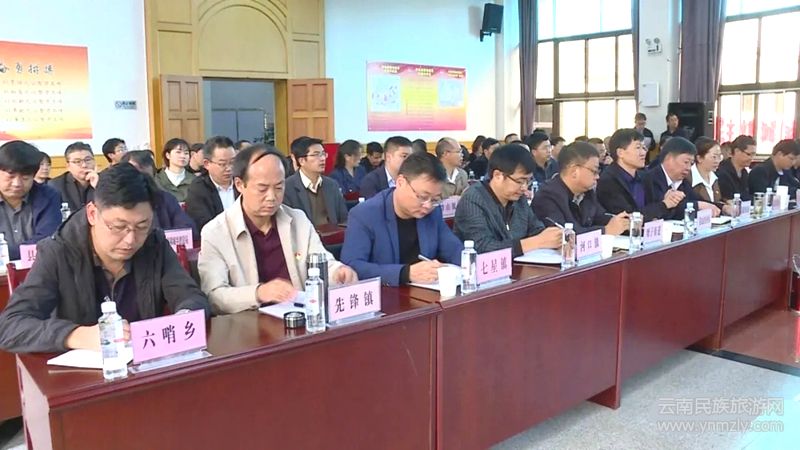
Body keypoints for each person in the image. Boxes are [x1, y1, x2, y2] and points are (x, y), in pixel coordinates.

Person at [0, 163, 210, 353]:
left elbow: (191, 296)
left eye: (142, 226)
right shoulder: (57, 252)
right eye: (118, 227)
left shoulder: (154, 243)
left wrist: (185, 317)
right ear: (92, 214)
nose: (130, 240)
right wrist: (77, 335)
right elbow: (10, 326)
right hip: (80, 376)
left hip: (145, 366)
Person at [198, 145, 357, 314]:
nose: (272, 197)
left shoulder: (298, 220)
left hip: (300, 317)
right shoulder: (215, 232)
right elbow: (214, 295)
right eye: (262, 188)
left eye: (279, 187)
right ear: (239, 184)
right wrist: (259, 293)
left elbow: (322, 261)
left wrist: (338, 272)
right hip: (249, 324)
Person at [341, 152, 463, 286]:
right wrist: (405, 273)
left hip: (425, 293)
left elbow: (454, 249)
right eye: (422, 197)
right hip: (386, 294)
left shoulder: (433, 212)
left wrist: (469, 263)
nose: (428, 205)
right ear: (400, 182)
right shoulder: (364, 214)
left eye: (435, 199)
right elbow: (352, 266)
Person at [454, 144, 562, 256]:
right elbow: (482, 247)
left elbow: (535, 229)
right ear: (497, 175)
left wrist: (556, 239)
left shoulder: (518, 198)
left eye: (528, 181)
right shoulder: (472, 199)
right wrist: (536, 242)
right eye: (520, 181)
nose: (524, 187)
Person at [532, 142, 630, 235]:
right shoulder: (547, 197)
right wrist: (605, 230)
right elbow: (566, 235)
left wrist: (622, 222)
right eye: (594, 171)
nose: (597, 177)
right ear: (574, 171)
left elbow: (600, 217)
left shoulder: (587, 192)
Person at [597, 129, 685, 221]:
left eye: (644, 148)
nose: (643, 153)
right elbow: (629, 217)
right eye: (638, 148)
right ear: (620, 153)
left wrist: (668, 200)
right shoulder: (608, 181)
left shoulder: (644, 176)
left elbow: (657, 209)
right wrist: (664, 205)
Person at [0, 141, 61, 260]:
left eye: (25, 177)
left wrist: (6, 254)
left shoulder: (48, 196)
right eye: (10, 176)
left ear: (34, 175)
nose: (17, 184)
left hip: (38, 266)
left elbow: (47, 239)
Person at [121, 151, 197, 236]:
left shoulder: (165, 198)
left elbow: (188, 228)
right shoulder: (116, 200)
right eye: (136, 173)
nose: (142, 180)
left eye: (147, 177)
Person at [642, 136, 716, 219]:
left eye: (691, 164)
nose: (688, 168)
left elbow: (699, 200)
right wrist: (697, 205)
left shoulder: (683, 182)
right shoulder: (650, 180)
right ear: (669, 158)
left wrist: (723, 207)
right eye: (686, 162)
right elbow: (665, 211)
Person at [283, 136, 348, 226]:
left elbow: (344, 219)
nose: (322, 158)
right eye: (316, 154)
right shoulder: (287, 188)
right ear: (301, 161)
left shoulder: (331, 185)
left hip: (333, 234)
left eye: (323, 154)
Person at [185, 136, 239, 231]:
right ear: (207, 164)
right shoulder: (198, 189)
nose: (229, 168)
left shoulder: (244, 182)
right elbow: (205, 225)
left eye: (232, 162)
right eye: (222, 164)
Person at [50, 141, 98, 212]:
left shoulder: (106, 181)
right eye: (77, 161)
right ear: (68, 166)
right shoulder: (55, 186)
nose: (84, 165)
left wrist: (98, 187)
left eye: (88, 160)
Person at [687, 137, 729, 213]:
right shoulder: (688, 178)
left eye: (719, 157)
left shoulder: (716, 177)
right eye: (714, 157)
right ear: (699, 158)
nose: (717, 161)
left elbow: (717, 201)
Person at [154, 138, 196, 203]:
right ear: (168, 155)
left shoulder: (195, 181)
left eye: (186, 153)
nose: (183, 156)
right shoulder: (156, 180)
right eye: (178, 152)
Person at [717, 135, 755, 202]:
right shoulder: (722, 172)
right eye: (748, 154)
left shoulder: (744, 172)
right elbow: (727, 198)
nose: (751, 158)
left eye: (753, 154)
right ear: (737, 151)